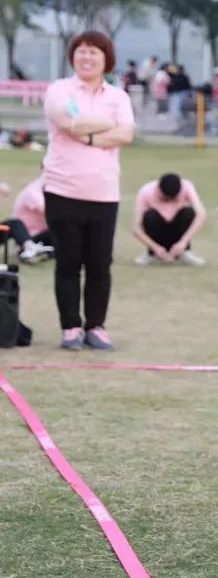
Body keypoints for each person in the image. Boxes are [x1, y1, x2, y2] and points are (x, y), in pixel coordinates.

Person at [42, 30, 135, 350]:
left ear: (106, 59)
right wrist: (107, 123)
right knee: (68, 262)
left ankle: (96, 325)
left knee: (99, 264)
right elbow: (67, 121)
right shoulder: (59, 89)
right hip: (62, 188)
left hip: (104, 192)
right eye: (81, 51)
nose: (87, 57)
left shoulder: (118, 96)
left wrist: (90, 135)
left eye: (94, 52)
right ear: (73, 57)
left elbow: (126, 133)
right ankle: (70, 326)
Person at [131, 173, 208, 266]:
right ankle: (152, 255)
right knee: (150, 216)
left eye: (173, 199)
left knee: (188, 212)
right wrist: (155, 247)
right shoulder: (145, 192)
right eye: (165, 198)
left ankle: (183, 253)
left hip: (178, 228)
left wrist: (183, 243)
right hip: (158, 230)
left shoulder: (187, 186)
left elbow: (201, 214)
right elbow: (136, 229)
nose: (169, 201)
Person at [1, 171, 54, 263]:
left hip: (39, 234)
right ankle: (29, 248)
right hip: (31, 234)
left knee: (62, 230)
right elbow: (47, 209)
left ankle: (34, 250)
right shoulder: (33, 191)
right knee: (14, 223)